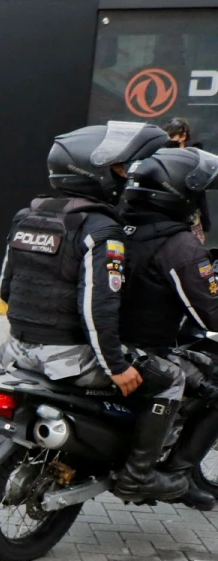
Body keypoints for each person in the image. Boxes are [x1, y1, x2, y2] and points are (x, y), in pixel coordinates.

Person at [0, 120, 189, 502]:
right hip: (72, 359)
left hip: (16, 351)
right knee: (171, 379)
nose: (124, 177)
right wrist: (117, 366)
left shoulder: (27, 216)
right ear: (95, 173)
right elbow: (97, 309)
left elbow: (6, 288)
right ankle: (139, 477)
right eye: (119, 169)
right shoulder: (100, 229)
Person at [118, 147, 218, 509]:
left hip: (103, 343)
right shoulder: (178, 246)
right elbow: (211, 315)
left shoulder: (112, 223)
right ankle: (176, 472)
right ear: (179, 194)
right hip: (145, 352)